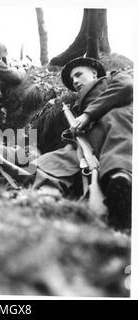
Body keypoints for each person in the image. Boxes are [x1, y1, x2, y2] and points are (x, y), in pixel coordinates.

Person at [32, 57, 133, 230]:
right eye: (72, 80)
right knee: (56, 159)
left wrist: (87, 115)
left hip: (117, 125)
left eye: (79, 74)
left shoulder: (112, 78)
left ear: (94, 72)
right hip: (88, 142)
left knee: (116, 124)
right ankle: (47, 195)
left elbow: (127, 86)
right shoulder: (76, 104)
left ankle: (120, 180)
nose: (75, 81)